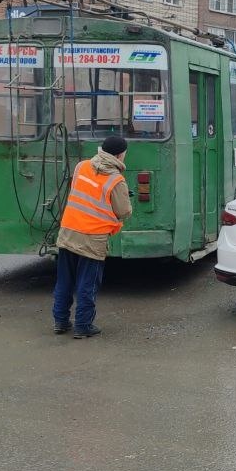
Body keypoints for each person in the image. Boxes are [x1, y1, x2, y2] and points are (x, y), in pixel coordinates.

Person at [52, 135, 133, 338]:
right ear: (120, 154)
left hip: (69, 231)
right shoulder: (116, 180)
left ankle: (60, 322)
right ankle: (83, 326)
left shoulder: (81, 166)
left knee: (64, 281)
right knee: (87, 284)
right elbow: (124, 212)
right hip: (93, 237)